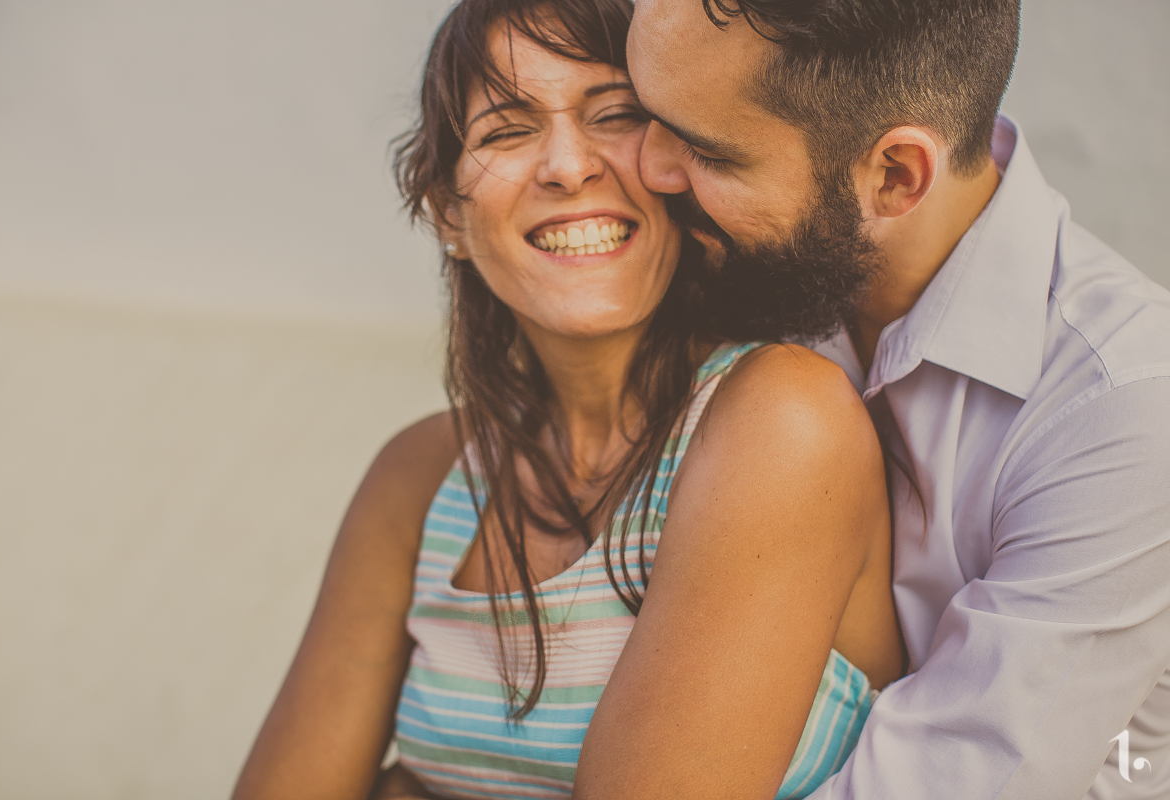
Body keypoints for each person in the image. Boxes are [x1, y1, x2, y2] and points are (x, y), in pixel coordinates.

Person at [231, 2, 904, 799]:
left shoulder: (783, 420)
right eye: (506, 131)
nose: (567, 165)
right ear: (448, 213)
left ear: (677, 166)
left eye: (614, 115)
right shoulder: (420, 480)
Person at [618, 1, 1170, 798]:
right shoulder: (744, 273)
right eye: (642, 113)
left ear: (895, 176)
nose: (647, 168)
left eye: (707, 151)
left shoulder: (1121, 409)